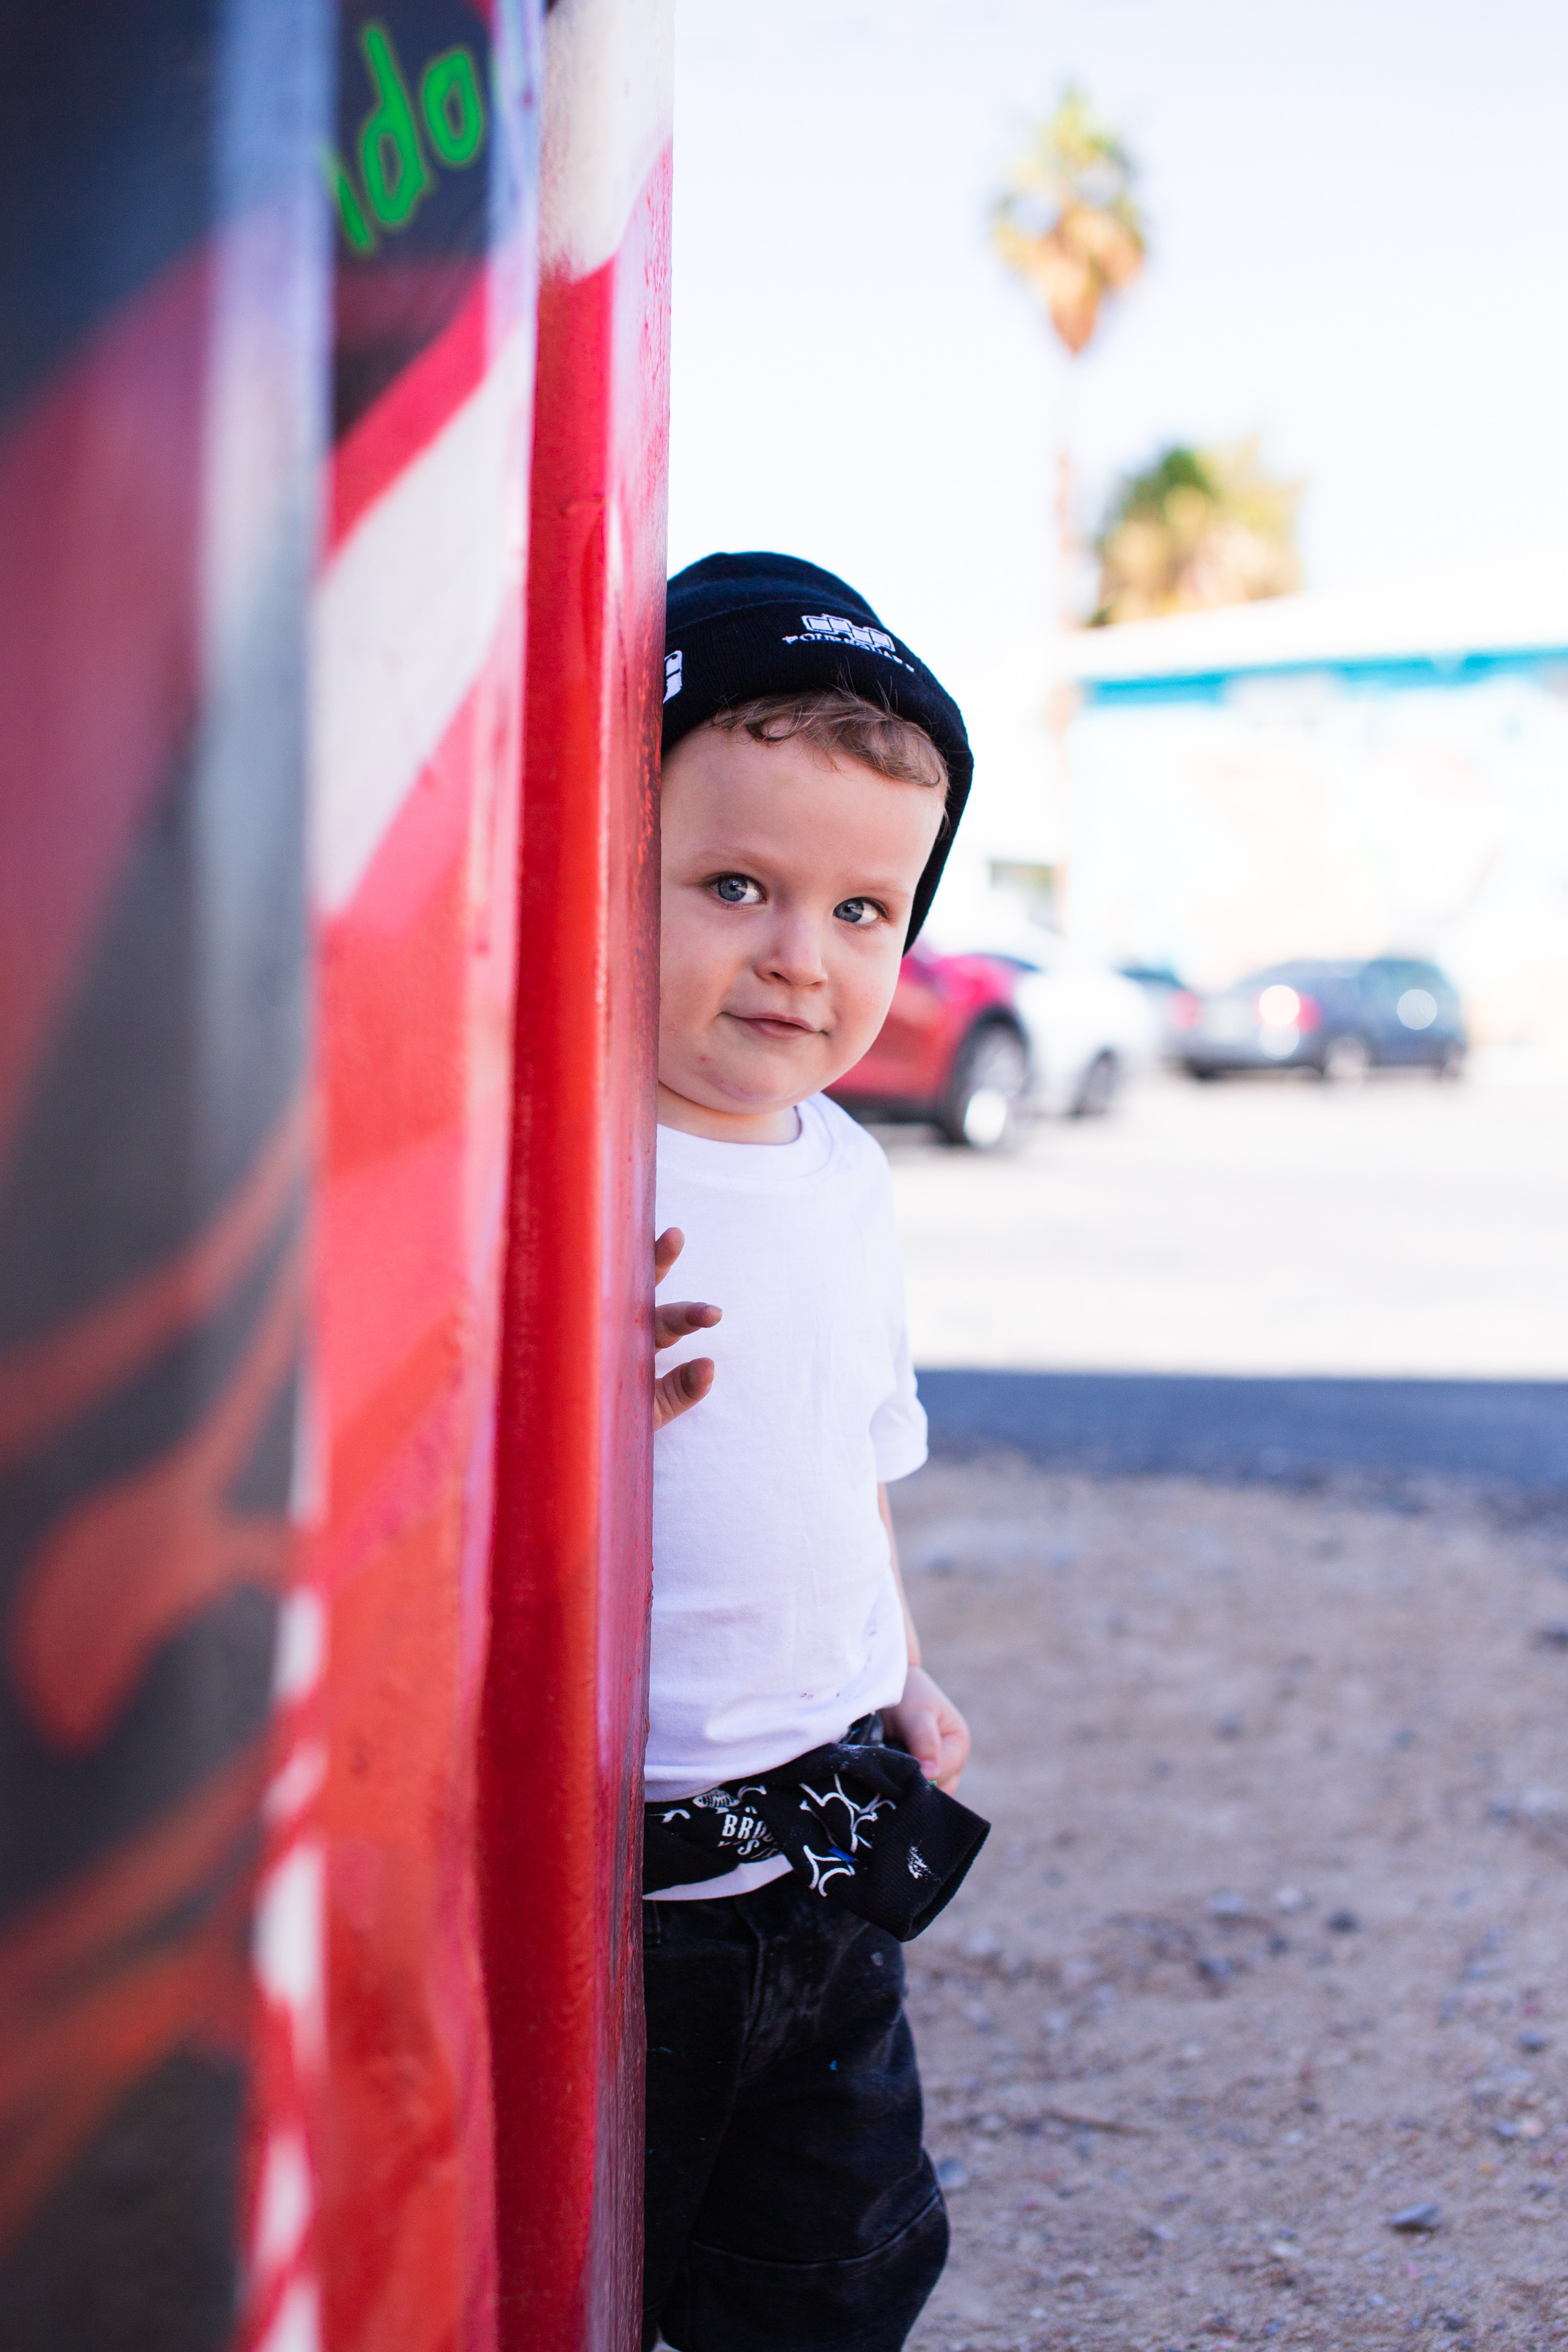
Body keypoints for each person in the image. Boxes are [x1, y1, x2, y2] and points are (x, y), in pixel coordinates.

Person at [643, 552, 988, 2352]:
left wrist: (899, 1666)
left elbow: (851, 1454)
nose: (801, 955)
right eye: (734, 886)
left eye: (863, 910)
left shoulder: (846, 1173)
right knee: (581, 2255)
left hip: (830, 1842)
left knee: (835, 2267)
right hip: (615, 1882)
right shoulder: (548, 1153)